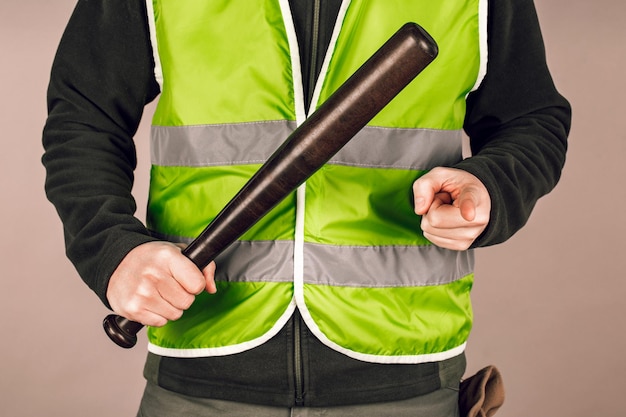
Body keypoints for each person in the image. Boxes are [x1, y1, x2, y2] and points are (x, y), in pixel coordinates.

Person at [42, 0, 570, 416]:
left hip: (405, 383)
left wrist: (492, 185)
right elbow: (83, 117)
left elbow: (532, 118)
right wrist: (113, 251)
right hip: (199, 383)